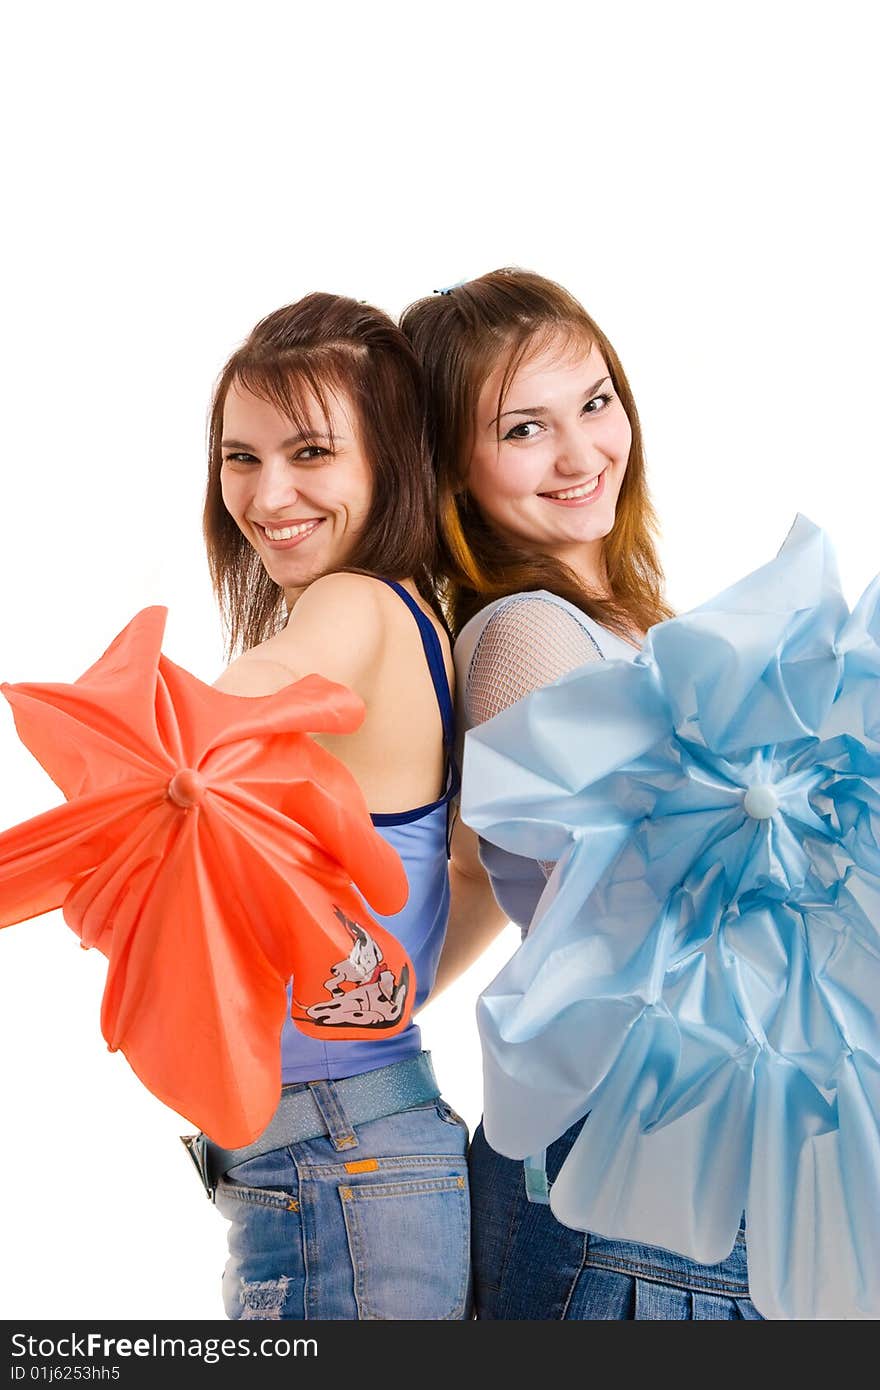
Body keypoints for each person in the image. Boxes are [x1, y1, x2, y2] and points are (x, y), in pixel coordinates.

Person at [400, 268, 763, 1320]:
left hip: (679, 1180)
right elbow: (664, 904)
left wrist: (387, 996)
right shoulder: (528, 636)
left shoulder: (633, 630)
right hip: (623, 1184)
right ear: (451, 470)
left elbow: (478, 870)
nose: (580, 453)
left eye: (594, 402)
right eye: (523, 428)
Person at [197, 292, 470, 1320]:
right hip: (363, 1143)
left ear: (388, 461)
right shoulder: (414, 615)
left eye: (310, 453)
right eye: (241, 456)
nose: (268, 494)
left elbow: (269, 684)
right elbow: (467, 872)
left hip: (335, 1163)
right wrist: (373, 996)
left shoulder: (351, 606)